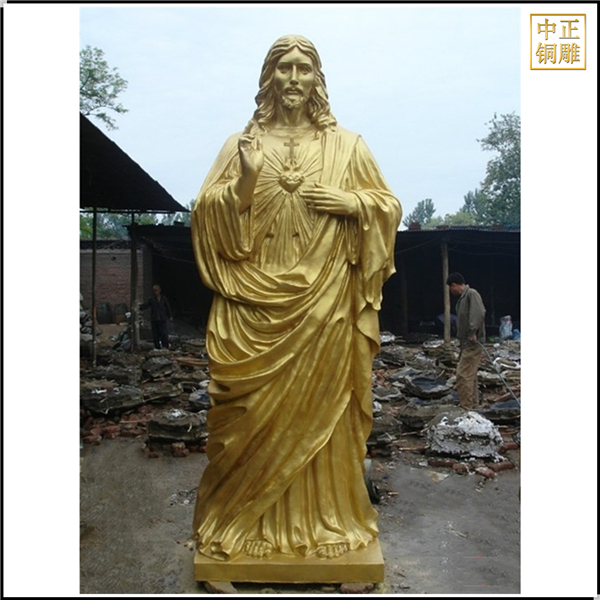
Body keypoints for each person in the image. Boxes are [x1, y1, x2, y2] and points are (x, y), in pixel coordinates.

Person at [191, 34, 401, 562]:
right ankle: (238, 526)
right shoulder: (241, 145)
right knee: (246, 424)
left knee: (325, 416)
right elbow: (206, 217)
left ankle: (329, 525)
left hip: (325, 308)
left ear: (317, 80)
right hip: (251, 307)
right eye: (283, 68)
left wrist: (352, 203)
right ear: (268, 77)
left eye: (303, 69)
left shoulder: (348, 147)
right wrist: (245, 181)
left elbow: (387, 205)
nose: (293, 78)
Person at [446, 272, 486, 409]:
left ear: (454, 285)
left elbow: (478, 313)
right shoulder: (463, 298)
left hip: (472, 341)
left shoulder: (471, 294)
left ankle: (466, 406)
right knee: (470, 374)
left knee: (463, 374)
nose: (451, 291)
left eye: (450, 288)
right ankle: (473, 404)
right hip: (465, 342)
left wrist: (473, 332)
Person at [139, 284, 173, 349]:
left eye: (156, 290)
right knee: (155, 334)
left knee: (164, 333)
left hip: (162, 318)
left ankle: (165, 346)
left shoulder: (163, 299)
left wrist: (170, 316)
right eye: (154, 291)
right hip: (154, 319)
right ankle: (157, 347)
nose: (155, 292)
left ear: (160, 290)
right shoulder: (151, 299)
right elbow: (146, 305)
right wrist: (140, 307)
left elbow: (167, 307)